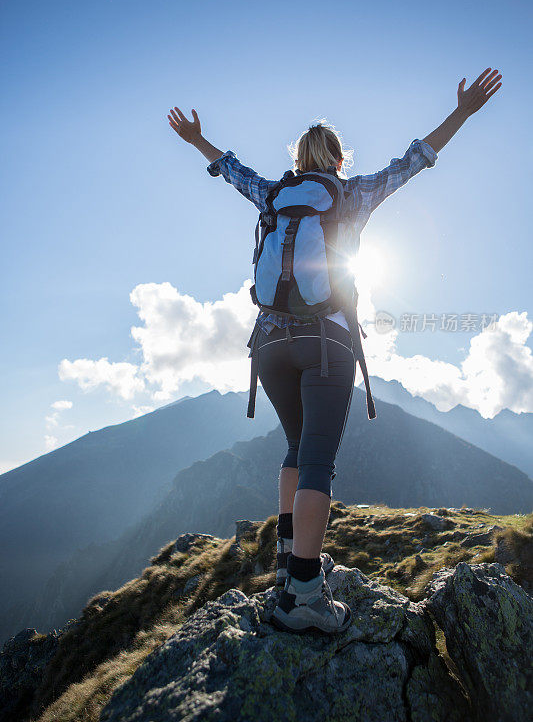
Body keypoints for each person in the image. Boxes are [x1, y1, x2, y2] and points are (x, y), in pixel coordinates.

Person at [167, 67, 502, 634]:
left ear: (298, 159)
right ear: (339, 160)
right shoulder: (352, 193)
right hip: (327, 344)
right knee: (319, 459)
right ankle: (304, 597)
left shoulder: (273, 194)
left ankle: (284, 565)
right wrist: (463, 113)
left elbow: (231, 170)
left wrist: (196, 139)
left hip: (268, 345)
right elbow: (415, 159)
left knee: (295, 448)